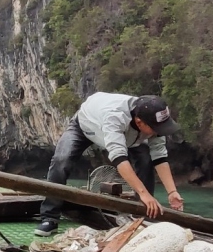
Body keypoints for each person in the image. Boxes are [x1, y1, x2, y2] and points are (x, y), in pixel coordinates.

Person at [36, 92, 185, 237]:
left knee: (146, 159)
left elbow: (159, 156)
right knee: (62, 160)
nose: (159, 132)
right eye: (156, 129)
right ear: (139, 122)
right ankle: (49, 217)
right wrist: (143, 193)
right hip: (86, 127)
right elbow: (119, 158)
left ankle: (143, 215)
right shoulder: (114, 117)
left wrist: (172, 192)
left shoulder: (152, 120)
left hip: (130, 138)